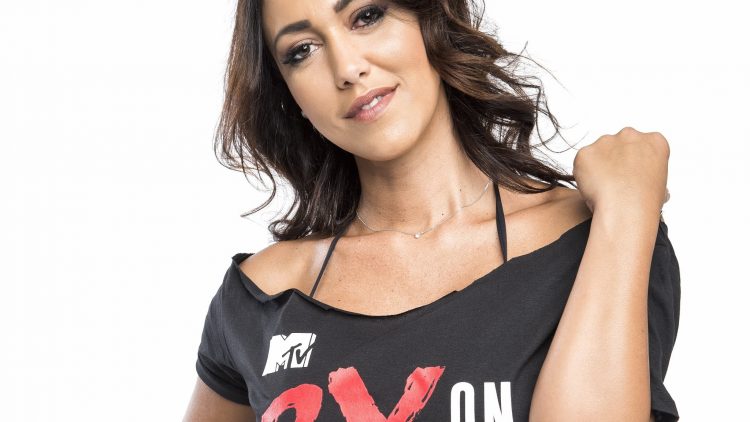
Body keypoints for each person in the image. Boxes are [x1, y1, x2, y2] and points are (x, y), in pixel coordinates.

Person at [183, 0, 680, 421]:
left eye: (366, 16)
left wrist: (626, 208)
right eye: (302, 51)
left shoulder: (595, 239)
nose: (347, 68)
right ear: (288, 94)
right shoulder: (261, 297)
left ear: (430, 18)